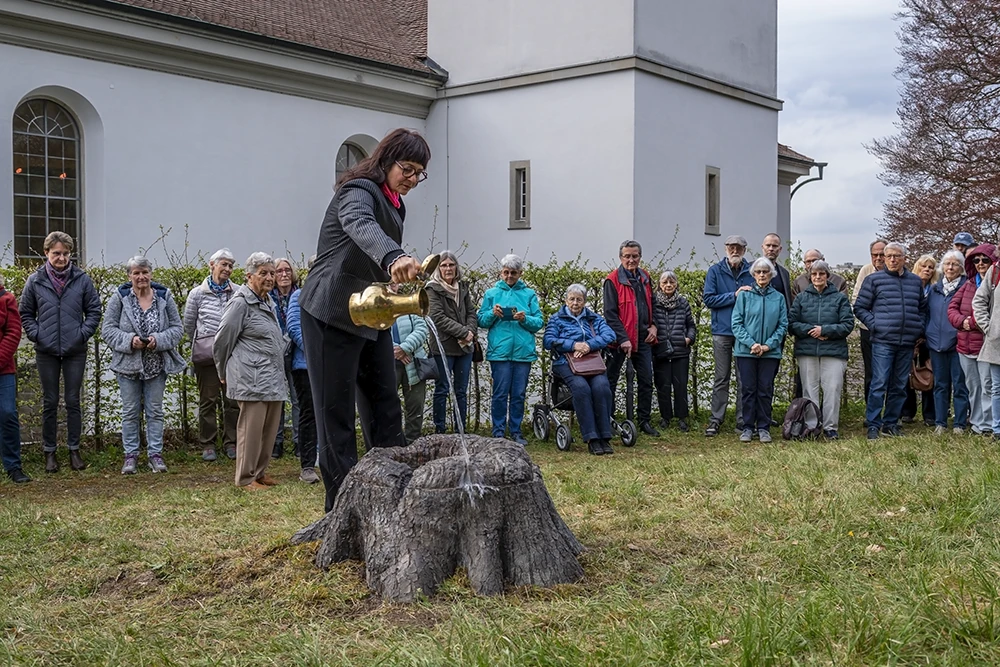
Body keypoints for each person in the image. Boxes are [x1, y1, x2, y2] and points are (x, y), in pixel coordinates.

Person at [297, 128, 426, 511]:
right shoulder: (358, 190)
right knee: (334, 415)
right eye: (408, 168)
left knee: (386, 405)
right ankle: (342, 510)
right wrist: (393, 257)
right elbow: (360, 225)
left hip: (370, 315)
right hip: (329, 312)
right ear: (386, 159)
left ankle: (393, 497)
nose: (413, 179)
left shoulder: (396, 203)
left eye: (420, 172)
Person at [20, 231, 101, 473]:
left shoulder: (82, 280)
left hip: (75, 350)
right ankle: (49, 453)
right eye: (56, 253)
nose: (62, 258)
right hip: (46, 351)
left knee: (73, 401)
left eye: (66, 253)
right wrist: (38, 335)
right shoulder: (35, 281)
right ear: (46, 253)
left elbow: (94, 311)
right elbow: (25, 314)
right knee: (50, 402)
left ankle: (74, 450)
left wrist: (80, 334)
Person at [102, 257, 186, 474]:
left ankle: (155, 455)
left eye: (145, 272)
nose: (141, 277)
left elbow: (177, 328)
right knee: (130, 412)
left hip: (156, 364)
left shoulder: (164, 297)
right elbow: (108, 330)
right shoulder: (119, 299)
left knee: (155, 411)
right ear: (129, 276)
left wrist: (159, 339)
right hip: (128, 366)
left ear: (151, 273)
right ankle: (130, 456)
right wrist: (130, 340)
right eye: (136, 273)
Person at [213, 253, 287, 491]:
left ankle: (260, 473)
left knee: (269, 428)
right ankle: (245, 479)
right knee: (251, 429)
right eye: (263, 273)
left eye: (272, 273)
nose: (269, 277)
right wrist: (222, 370)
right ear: (249, 276)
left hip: (272, 376)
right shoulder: (240, 302)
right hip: (251, 376)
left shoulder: (268, 301)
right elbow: (222, 340)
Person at [853, 242, 927, 439]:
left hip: (906, 341)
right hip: (883, 341)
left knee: (900, 384)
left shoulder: (914, 281)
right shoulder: (874, 280)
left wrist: (918, 327)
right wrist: (876, 324)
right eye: (889, 256)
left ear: (904, 258)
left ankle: (891, 423)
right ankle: (873, 424)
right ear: (884, 259)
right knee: (879, 382)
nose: (893, 260)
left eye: (897, 256)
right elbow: (860, 307)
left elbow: (922, 308)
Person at [543, 284, 617, 455]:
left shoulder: (593, 318)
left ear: (584, 301)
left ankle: (605, 436)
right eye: (572, 299)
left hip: (591, 361)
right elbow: (548, 341)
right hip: (565, 362)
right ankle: (591, 437)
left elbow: (610, 335)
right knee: (581, 388)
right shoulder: (556, 319)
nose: (575, 303)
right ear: (566, 300)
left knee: (602, 387)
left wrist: (588, 346)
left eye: (579, 299)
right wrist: (574, 345)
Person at [477, 254, 543, 445]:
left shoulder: (529, 294)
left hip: (523, 352)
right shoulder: (491, 293)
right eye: (506, 272)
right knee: (499, 393)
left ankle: (516, 431)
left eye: (513, 273)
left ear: (520, 273)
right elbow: (481, 320)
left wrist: (525, 319)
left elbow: (538, 322)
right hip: (500, 352)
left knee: (518, 394)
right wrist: (492, 314)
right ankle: (498, 432)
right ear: (501, 272)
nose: (509, 276)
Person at [788, 260, 854, 439]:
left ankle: (830, 427)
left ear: (827, 276)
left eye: (821, 274)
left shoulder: (839, 298)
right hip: (807, 350)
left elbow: (848, 324)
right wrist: (812, 331)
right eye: (814, 274)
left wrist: (825, 331)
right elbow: (792, 323)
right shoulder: (802, 298)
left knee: (832, 388)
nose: (818, 277)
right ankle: (812, 426)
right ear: (810, 276)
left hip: (834, 351)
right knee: (810, 389)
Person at [183, 248, 239, 462]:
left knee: (232, 400)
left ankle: (231, 442)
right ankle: (207, 443)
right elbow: (189, 325)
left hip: (233, 355)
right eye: (223, 264)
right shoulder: (197, 293)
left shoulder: (238, 291)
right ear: (211, 265)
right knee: (208, 400)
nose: (227, 269)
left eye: (230, 266)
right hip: (207, 356)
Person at [603, 240, 658, 436]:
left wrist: (654, 326)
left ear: (640, 257)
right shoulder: (612, 280)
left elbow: (653, 305)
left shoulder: (645, 277)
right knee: (611, 381)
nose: (631, 260)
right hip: (618, 341)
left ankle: (644, 421)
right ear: (621, 258)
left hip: (643, 338)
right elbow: (610, 314)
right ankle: (607, 421)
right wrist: (623, 338)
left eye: (635, 256)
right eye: (627, 256)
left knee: (646, 380)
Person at [731, 258, 788, 443]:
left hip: (769, 353)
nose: (762, 275)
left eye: (765, 272)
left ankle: (763, 427)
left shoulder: (778, 297)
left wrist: (768, 345)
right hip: (746, 351)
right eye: (758, 272)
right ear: (753, 274)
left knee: (765, 389)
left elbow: (782, 325)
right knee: (748, 389)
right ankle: (747, 427)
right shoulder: (744, 296)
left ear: (771, 275)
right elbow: (736, 324)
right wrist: (752, 344)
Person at [702, 234, 754, 436]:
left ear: (745, 250)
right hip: (722, 331)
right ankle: (716, 419)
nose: (735, 251)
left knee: (744, 378)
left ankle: (743, 420)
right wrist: (734, 295)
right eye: (731, 247)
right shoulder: (715, 271)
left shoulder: (752, 271)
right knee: (721, 377)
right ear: (725, 249)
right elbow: (709, 299)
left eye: (739, 248)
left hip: (745, 333)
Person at [948, 243, 997, 435]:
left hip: (986, 345)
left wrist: (973, 323)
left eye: (985, 260)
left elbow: (993, 313)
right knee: (973, 386)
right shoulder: (968, 284)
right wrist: (963, 322)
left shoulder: (995, 285)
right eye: (976, 260)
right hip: (965, 346)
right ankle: (977, 423)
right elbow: (952, 309)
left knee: (988, 386)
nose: (980, 263)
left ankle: (991, 423)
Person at [426, 251, 477, 434]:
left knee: (461, 391)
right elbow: (437, 317)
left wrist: (470, 332)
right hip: (443, 346)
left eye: (451, 265)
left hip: (464, 348)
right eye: (444, 265)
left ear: (456, 268)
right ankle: (440, 430)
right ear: (438, 269)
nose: (448, 268)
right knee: (442, 389)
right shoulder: (431, 289)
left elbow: (471, 312)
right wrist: (463, 331)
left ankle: (460, 430)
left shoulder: (462, 287)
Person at [282, 261, 320, 483]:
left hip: (331, 367)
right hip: (305, 366)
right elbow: (294, 328)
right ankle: (307, 466)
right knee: (309, 414)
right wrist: (318, 353)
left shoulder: (336, 296)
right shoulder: (299, 297)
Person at [926, 251, 969, 435]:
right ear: (942, 267)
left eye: (955, 264)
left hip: (957, 344)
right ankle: (940, 423)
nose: (950, 268)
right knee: (940, 385)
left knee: (960, 385)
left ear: (961, 268)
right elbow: (927, 314)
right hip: (936, 344)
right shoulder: (934, 290)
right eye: (947, 264)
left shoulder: (966, 288)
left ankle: (959, 423)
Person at [650, 271, 695, 432]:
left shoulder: (683, 302)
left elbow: (691, 325)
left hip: (680, 351)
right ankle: (665, 417)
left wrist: (688, 338)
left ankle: (682, 418)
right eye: (665, 282)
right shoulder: (653, 303)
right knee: (663, 386)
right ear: (659, 285)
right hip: (661, 351)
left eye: (671, 282)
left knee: (681, 385)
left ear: (676, 284)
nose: (668, 285)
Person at [901, 254, 938, 426]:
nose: (927, 270)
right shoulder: (909, 287)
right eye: (924, 266)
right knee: (907, 374)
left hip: (929, 338)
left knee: (928, 373)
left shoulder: (936, 289)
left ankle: (929, 414)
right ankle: (907, 411)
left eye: (931, 267)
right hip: (910, 336)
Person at [852, 238, 889, 403]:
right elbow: (857, 299)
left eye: (882, 254)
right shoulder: (865, 271)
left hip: (891, 330)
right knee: (871, 371)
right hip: (869, 328)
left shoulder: (898, 272)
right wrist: (873, 322)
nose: (879, 258)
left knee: (893, 371)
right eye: (875, 255)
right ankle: (871, 408)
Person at [269, 257, 299, 459]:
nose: (283, 274)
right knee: (277, 398)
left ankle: (299, 440)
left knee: (298, 399)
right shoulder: (268, 297)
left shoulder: (301, 294)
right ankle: (276, 442)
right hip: (275, 353)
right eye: (278, 271)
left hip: (297, 351)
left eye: (287, 270)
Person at [0, 275, 27, 483]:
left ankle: (13, 466)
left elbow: (13, 332)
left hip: (3, 369)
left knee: (7, 413)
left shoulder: (6, 298)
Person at [392, 308, 430, 445]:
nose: (393, 286)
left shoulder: (408, 305)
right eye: (390, 284)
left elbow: (421, 329)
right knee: (388, 407)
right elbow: (375, 331)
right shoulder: (377, 305)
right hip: (388, 364)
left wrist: (405, 348)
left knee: (415, 406)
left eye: (396, 284)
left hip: (414, 363)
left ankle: (412, 444)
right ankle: (392, 444)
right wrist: (395, 350)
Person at [760, 233, 793, 314]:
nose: (771, 249)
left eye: (774, 246)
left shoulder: (784, 274)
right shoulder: (750, 268)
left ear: (780, 249)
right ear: (762, 247)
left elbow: (787, 300)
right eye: (768, 245)